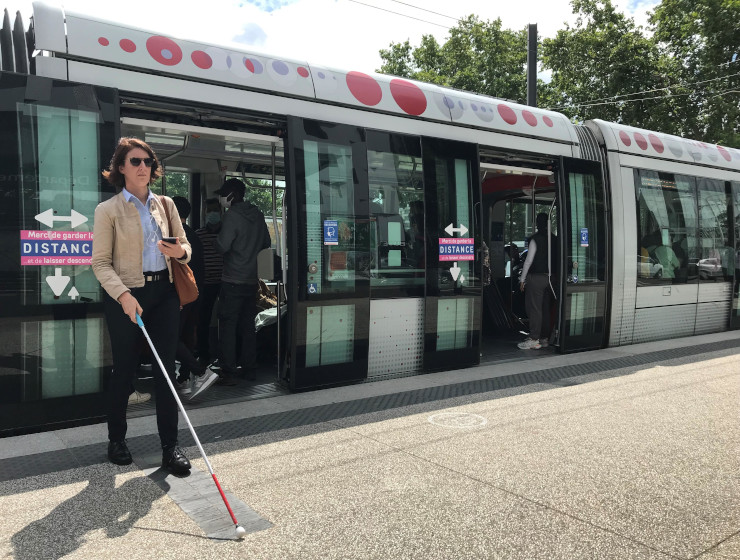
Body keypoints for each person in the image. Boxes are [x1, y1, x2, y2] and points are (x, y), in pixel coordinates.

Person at [92, 137, 192, 475]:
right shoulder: (108, 210)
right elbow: (101, 263)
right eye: (135, 161)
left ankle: (170, 448)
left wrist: (178, 252)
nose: (143, 167)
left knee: (166, 372)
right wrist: (123, 295)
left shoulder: (165, 204)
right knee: (124, 371)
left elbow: (186, 247)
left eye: (148, 162)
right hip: (126, 296)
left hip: (163, 294)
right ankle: (117, 439)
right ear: (121, 167)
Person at [215, 178, 271, 381]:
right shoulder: (257, 214)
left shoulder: (232, 217)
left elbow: (222, 246)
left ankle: (228, 371)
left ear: (233, 195)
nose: (221, 198)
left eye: (223, 194)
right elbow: (266, 242)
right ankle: (250, 369)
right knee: (248, 326)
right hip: (251, 280)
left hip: (231, 280)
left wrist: (216, 235)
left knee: (228, 326)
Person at [171, 196, 219, 400]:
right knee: (187, 337)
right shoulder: (194, 236)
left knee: (168, 337)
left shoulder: (173, 238)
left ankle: (199, 371)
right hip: (195, 294)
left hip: (178, 297)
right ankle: (183, 378)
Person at [518, 213, 557, 350]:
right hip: (552, 278)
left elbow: (528, 261)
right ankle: (544, 338)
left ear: (537, 223)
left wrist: (522, 279)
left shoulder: (535, 239)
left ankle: (534, 338)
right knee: (545, 308)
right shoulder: (554, 239)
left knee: (534, 308)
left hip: (537, 278)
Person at [195, 198, 224, 366]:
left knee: (226, 319)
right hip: (205, 283)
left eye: (215, 210)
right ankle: (203, 353)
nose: (212, 214)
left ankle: (224, 355)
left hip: (225, 281)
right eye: (209, 211)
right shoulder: (199, 235)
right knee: (203, 320)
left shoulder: (227, 233)